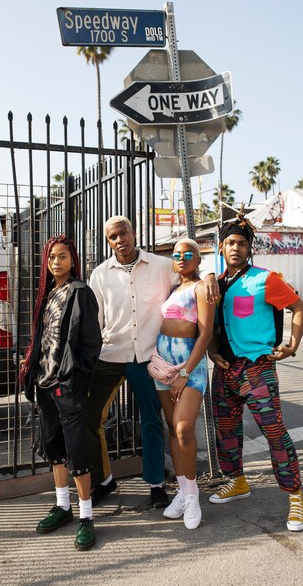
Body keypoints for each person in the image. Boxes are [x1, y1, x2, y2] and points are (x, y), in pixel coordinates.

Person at [87, 216, 219, 509]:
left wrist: (210, 275)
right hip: (111, 354)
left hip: (148, 357)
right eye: (113, 237)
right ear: (108, 241)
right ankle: (104, 480)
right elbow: (96, 321)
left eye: (124, 233)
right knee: (90, 418)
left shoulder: (161, 266)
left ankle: (157, 484)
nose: (120, 240)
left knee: (152, 421)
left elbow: (190, 277)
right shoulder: (99, 275)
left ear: (134, 233)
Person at [208, 210, 303, 532]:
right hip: (225, 369)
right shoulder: (218, 284)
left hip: (257, 368)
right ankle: (237, 481)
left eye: (241, 243)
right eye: (230, 243)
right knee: (226, 430)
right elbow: (210, 325)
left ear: (249, 248)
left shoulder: (265, 279)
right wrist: (211, 350)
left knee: (274, 431)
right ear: (221, 247)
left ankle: (295, 496)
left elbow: (298, 306)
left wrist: (292, 343)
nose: (235, 248)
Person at [19, 235, 102, 551]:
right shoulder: (49, 292)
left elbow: (91, 343)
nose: (56, 262)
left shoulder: (80, 292)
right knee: (54, 449)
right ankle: (63, 506)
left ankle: (86, 517)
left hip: (67, 386)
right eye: (52, 257)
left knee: (77, 451)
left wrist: (74, 377)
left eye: (63, 256)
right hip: (44, 384)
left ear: (73, 260)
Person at [151, 238, 215, 529]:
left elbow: (205, 334)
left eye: (188, 254)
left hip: (189, 367)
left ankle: (193, 497)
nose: (181, 258)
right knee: (172, 432)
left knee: (183, 428)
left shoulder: (202, 288)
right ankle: (184, 491)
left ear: (199, 259)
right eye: (176, 254)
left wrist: (186, 372)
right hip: (165, 367)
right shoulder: (174, 287)